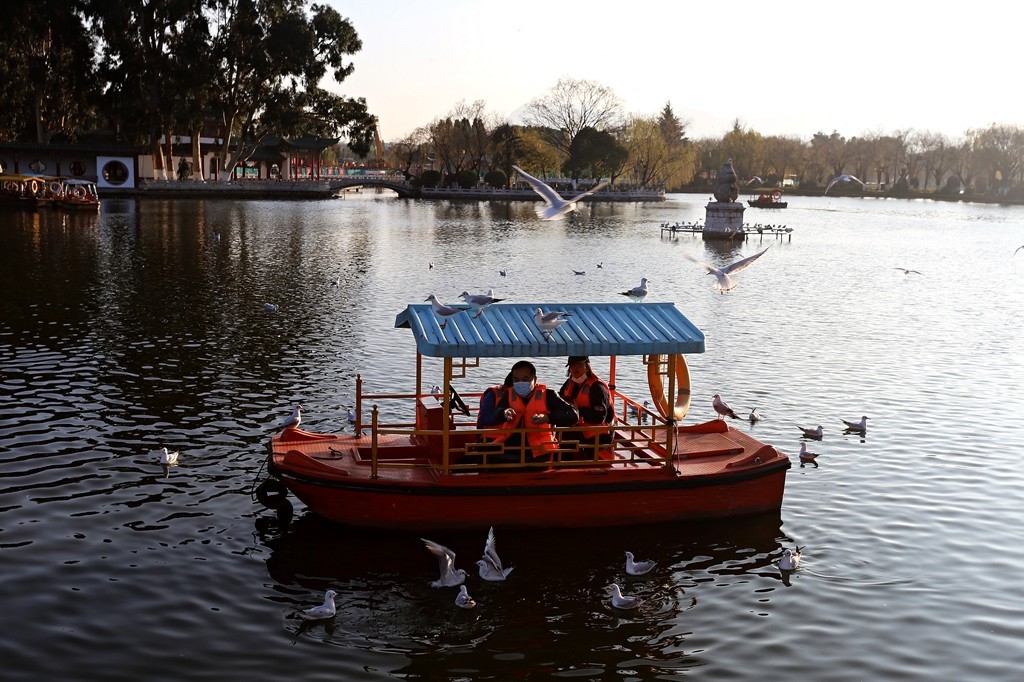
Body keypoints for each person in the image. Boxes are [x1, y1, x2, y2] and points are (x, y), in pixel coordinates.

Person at [487, 360, 578, 463]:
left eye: (525, 379)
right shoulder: (508, 394)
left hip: (540, 450)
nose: (520, 383)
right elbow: (495, 415)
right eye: (516, 380)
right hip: (510, 446)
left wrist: (548, 418)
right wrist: (504, 413)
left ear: (534, 379)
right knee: (486, 454)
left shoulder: (548, 395)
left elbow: (573, 415)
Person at [558, 356, 613, 457]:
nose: (575, 368)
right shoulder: (569, 383)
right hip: (576, 429)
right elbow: (559, 399)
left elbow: (599, 417)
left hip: (598, 435)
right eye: (572, 365)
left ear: (586, 366)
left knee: (566, 439)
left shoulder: (597, 387)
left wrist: (577, 410)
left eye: (579, 364)